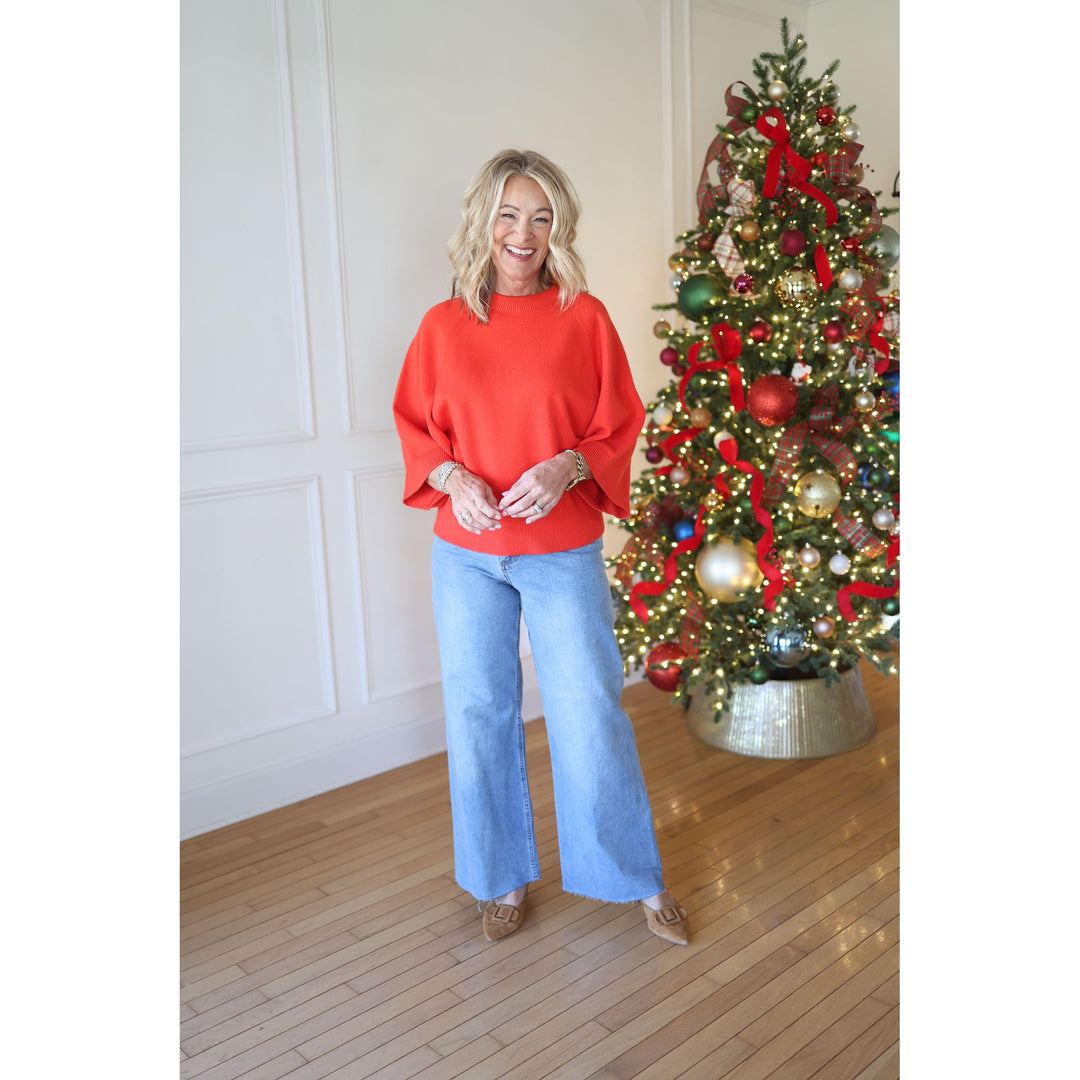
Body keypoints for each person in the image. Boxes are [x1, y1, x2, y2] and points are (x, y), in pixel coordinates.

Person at [392, 149, 689, 946]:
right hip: (466, 553)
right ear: (483, 221)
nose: (524, 233)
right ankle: (501, 878)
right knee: (479, 710)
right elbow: (417, 429)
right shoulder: (442, 326)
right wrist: (453, 478)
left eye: (542, 216)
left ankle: (635, 878)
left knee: (589, 710)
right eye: (509, 214)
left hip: (561, 551)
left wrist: (570, 463)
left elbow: (618, 423)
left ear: (558, 228)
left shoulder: (582, 319)